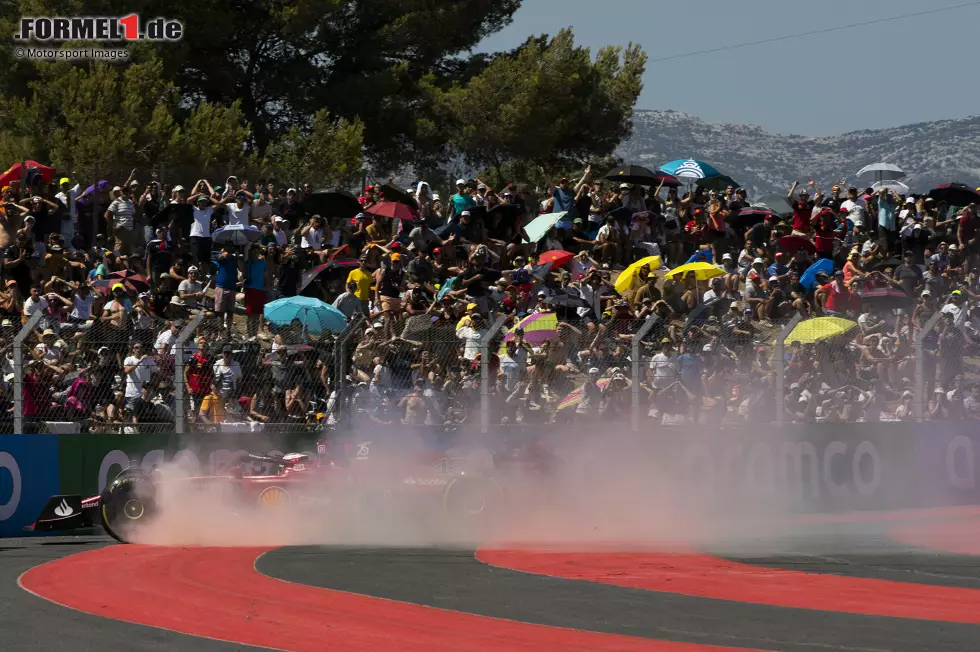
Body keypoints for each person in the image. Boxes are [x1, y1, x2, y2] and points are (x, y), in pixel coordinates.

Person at [242, 243, 268, 339]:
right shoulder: (248, 262)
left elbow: (265, 277)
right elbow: (246, 253)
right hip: (251, 289)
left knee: (257, 315)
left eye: (257, 250)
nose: (256, 252)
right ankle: (250, 336)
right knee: (250, 314)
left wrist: (266, 284)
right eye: (254, 250)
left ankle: (254, 335)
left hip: (260, 290)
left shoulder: (263, 263)